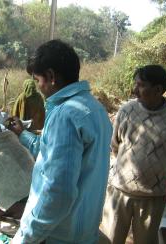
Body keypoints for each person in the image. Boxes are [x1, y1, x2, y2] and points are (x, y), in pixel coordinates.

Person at [7, 39, 112, 243]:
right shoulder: (94, 107)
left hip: (60, 234)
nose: (38, 87)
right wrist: (22, 134)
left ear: (51, 76)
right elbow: (51, 155)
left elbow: (58, 193)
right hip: (84, 227)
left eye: (38, 80)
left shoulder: (65, 115)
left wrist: (25, 238)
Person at [101, 65, 166, 244]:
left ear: (158, 89)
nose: (135, 90)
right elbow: (115, 145)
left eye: (141, 85)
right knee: (109, 240)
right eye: (135, 84)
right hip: (120, 193)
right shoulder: (126, 111)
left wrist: (163, 175)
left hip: (154, 199)